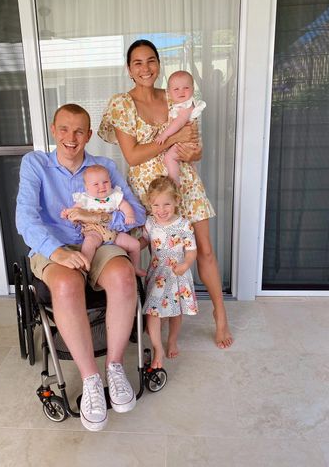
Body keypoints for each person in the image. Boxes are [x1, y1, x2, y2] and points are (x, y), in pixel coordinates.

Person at [16, 103, 146, 432]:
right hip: (53, 246)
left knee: (123, 275)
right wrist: (55, 251)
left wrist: (93, 218)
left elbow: (137, 214)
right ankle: (90, 380)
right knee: (67, 284)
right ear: (53, 130)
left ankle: (114, 369)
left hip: (99, 240)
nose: (71, 137)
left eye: (78, 131)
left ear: (88, 135)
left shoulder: (104, 166)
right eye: (64, 129)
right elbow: (25, 218)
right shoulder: (36, 164)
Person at [98, 39, 233, 349]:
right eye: (137, 63)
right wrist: (171, 140)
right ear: (128, 69)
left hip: (184, 183)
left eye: (151, 61)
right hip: (149, 192)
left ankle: (219, 313)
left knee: (204, 250)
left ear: (159, 64)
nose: (145, 68)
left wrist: (187, 147)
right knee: (155, 254)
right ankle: (155, 317)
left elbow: (195, 150)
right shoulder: (122, 103)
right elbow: (132, 156)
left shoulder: (175, 96)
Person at [143, 176, 197, 368]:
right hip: (157, 274)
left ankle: (172, 339)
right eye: (156, 205)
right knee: (152, 312)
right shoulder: (150, 223)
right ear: (150, 204)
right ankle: (158, 347)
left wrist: (186, 264)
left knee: (175, 311)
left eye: (166, 204)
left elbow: (191, 250)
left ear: (176, 201)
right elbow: (143, 241)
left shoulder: (183, 225)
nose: (161, 210)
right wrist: (130, 246)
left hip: (177, 274)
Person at [60, 164, 146, 277]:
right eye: (96, 184)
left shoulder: (114, 196)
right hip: (94, 230)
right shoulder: (85, 198)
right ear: (87, 187)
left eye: (105, 182)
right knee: (89, 242)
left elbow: (125, 205)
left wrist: (129, 215)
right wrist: (67, 213)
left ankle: (135, 268)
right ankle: (86, 268)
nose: (102, 186)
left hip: (114, 231)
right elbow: (75, 210)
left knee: (135, 244)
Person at [155, 70, 206, 184]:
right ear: (169, 92)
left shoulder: (186, 105)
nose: (181, 92)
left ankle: (174, 183)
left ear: (193, 89)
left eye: (186, 88)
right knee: (190, 165)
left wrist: (164, 135)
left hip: (187, 143)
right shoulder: (180, 104)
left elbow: (179, 122)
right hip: (186, 142)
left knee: (169, 158)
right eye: (176, 89)